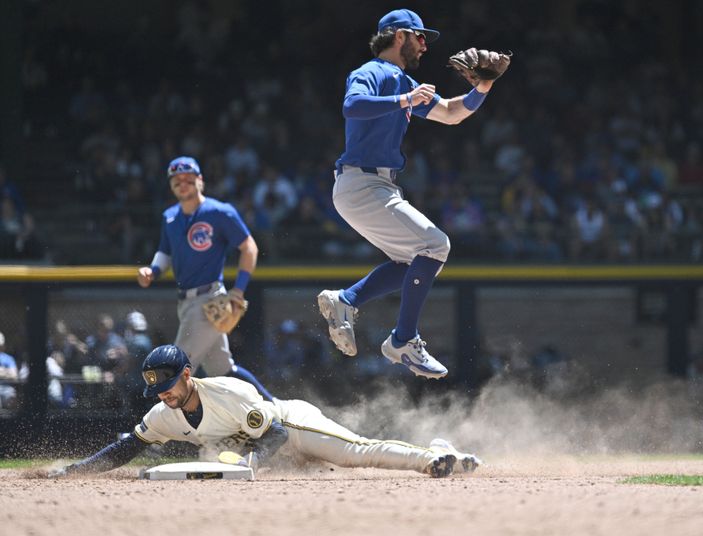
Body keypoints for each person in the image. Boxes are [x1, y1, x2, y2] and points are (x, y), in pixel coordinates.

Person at [317, 9, 505, 379]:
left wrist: (482, 87)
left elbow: (452, 113)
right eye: (420, 37)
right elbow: (351, 106)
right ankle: (403, 339)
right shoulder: (374, 72)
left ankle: (347, 299)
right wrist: (405, 100)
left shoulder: (402, 80)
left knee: (414, 262)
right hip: (362, 183)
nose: (424, 45)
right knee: (436, 245)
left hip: (374, 185)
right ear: (399, 35)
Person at [47, 345, 479, 479]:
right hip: (267, 452)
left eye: (167, 385)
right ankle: (440, 451)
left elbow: (272, 433)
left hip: (288, 424)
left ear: (187, 373)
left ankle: (433, 457)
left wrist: (250, 464)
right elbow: (128, 448)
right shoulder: (165, 413)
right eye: (156, 390)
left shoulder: (228, 392)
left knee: (355, 454)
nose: (162, 395)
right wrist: (78, 470)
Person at [137, 156, 274, 401]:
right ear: (171, 185)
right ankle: (272, 412)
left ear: (200, 180)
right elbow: (164, 252)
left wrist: (238, 291)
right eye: (177, 180)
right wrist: (153, 271)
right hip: (185, 303)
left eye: (189, 178)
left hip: (207, 300)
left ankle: (156, 436)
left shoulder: (219, 212)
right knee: (224, 370)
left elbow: (249, 248)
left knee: (173, 370)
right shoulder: (170, 216)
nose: (183, 183)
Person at [0, 332, 19, 409]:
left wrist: (2, 372)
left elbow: (14, 375)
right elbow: (10, 373)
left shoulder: (9, 359)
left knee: (12, 402)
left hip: (8, 388)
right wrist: (7, 371)